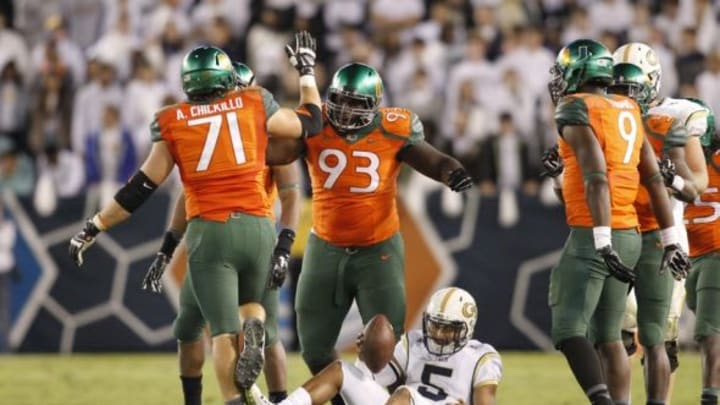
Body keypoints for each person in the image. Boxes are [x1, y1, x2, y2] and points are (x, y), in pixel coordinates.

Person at [68, 32, 322, 405]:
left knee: (221, 334)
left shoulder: (173, 119)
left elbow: (140, 188)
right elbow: (311, 123)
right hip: (258, 227)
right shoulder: (254, 102)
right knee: (253, 310)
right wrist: (305, 71)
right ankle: (260, 348)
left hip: (210, 230)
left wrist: (96, 225)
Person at [269, 62, 472, 405]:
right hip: (325, 248)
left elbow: (430, 159)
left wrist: (450, 171)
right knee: (315, 349)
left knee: (388, 352)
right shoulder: (317, 125)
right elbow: (277, 151)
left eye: (356, 105)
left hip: (377, 250)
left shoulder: (393, 128)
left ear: (375, 105)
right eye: (340, 102)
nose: (345, 112)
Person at [140, 62, 300, 405]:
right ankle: (278, 396)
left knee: (204, 328)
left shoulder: (211, 124)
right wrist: (284, 244)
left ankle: (208, 397)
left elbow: (188, 195)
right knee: (265, 330)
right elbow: (290, 192)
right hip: (258, 233)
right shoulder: (260, 123)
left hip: (213, 231)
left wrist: (167, 248)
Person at [545, 38, 687, 405]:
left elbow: (595, 176)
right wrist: (672, 238)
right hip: (633, 233)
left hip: (599, 231)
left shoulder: (575, 107)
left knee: (568, 328)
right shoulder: (627, 107)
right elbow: (653, 178)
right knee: (608, 336)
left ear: (578, 71)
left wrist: (602, 239)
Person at [613, 42, 710, 402]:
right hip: (622, 231)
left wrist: (675, 181)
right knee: (614, 334)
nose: (622, 93)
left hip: (664, 234)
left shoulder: (677, 116)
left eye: (630, 84)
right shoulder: (606, 114)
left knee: (663, 337)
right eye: (617, 84)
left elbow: (696, 184)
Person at [246, 287, 501, 405]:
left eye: (449, 328)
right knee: (341, 371)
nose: (439, 334)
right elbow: (372, 379)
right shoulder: (414, 343)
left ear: (467, 328)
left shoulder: (481, 357)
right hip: (400, 402)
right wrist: (367, 355)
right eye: (435, 325)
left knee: (405, 394)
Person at [684, 103, 720, 405]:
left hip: (716, 254)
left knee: (710, 332)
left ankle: (710, 398)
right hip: (690, 257)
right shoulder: (671, 160)